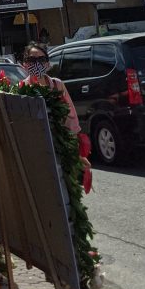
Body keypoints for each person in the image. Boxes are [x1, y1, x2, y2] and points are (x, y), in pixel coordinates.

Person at [21, 43, 93, 191]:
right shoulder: (22, 88)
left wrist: (75, 149)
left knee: (65, 188)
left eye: (40, 60)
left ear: (47, 63)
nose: (36, 64)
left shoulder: (57, 85)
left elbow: (71, 115)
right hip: (39, 149)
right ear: (25, 64)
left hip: (62, 146)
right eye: (31, 60)